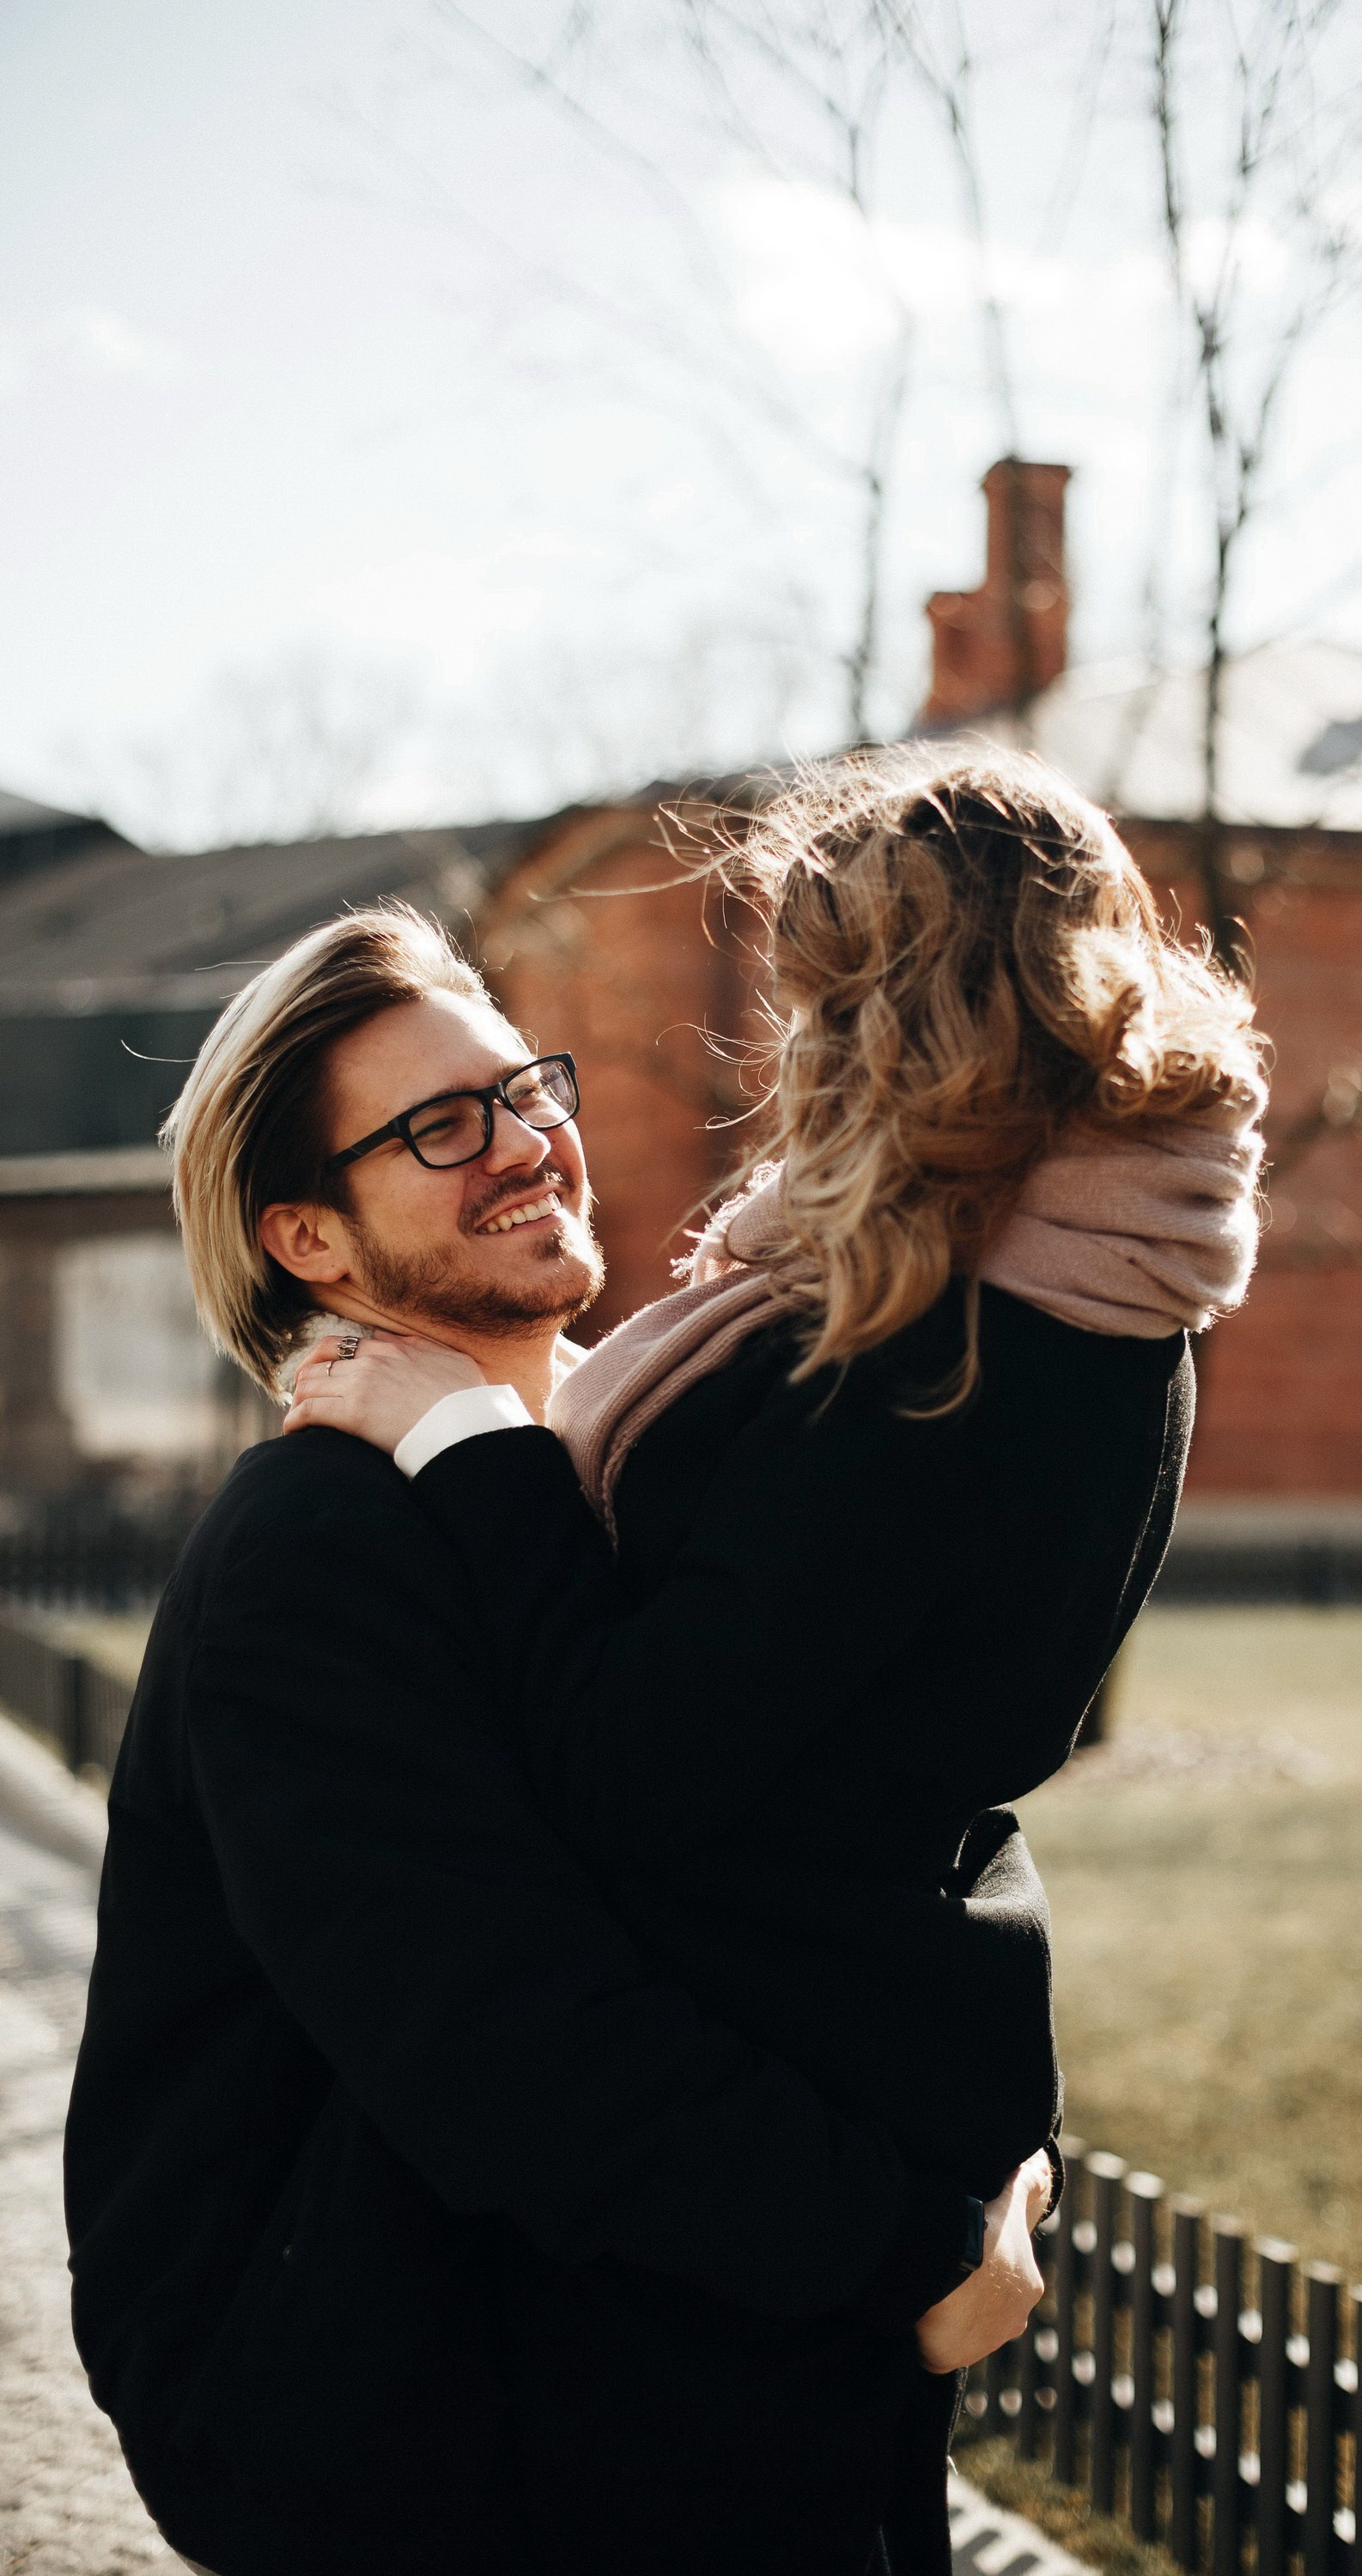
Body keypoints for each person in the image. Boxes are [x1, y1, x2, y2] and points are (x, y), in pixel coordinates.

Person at [286, 748, 1268, 2572]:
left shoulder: (938, 1353)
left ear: (893, 1014)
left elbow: (628, 1760)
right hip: (848, 2050)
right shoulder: (1088, 1275)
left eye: (819, 990)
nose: (792, 1040)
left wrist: (472, 1444)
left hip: (762, 2107)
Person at [65, 907, 1050, 2576]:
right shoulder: (311, 1553)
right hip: (398, 2407)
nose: (528, 1144)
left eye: (524, 1090)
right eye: (443, 1128)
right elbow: (501, 2035)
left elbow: (881, 1797)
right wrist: (903, 2246)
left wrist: (972, 2114)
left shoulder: (627, 1467)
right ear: (309, 1237)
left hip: (650, 2326)